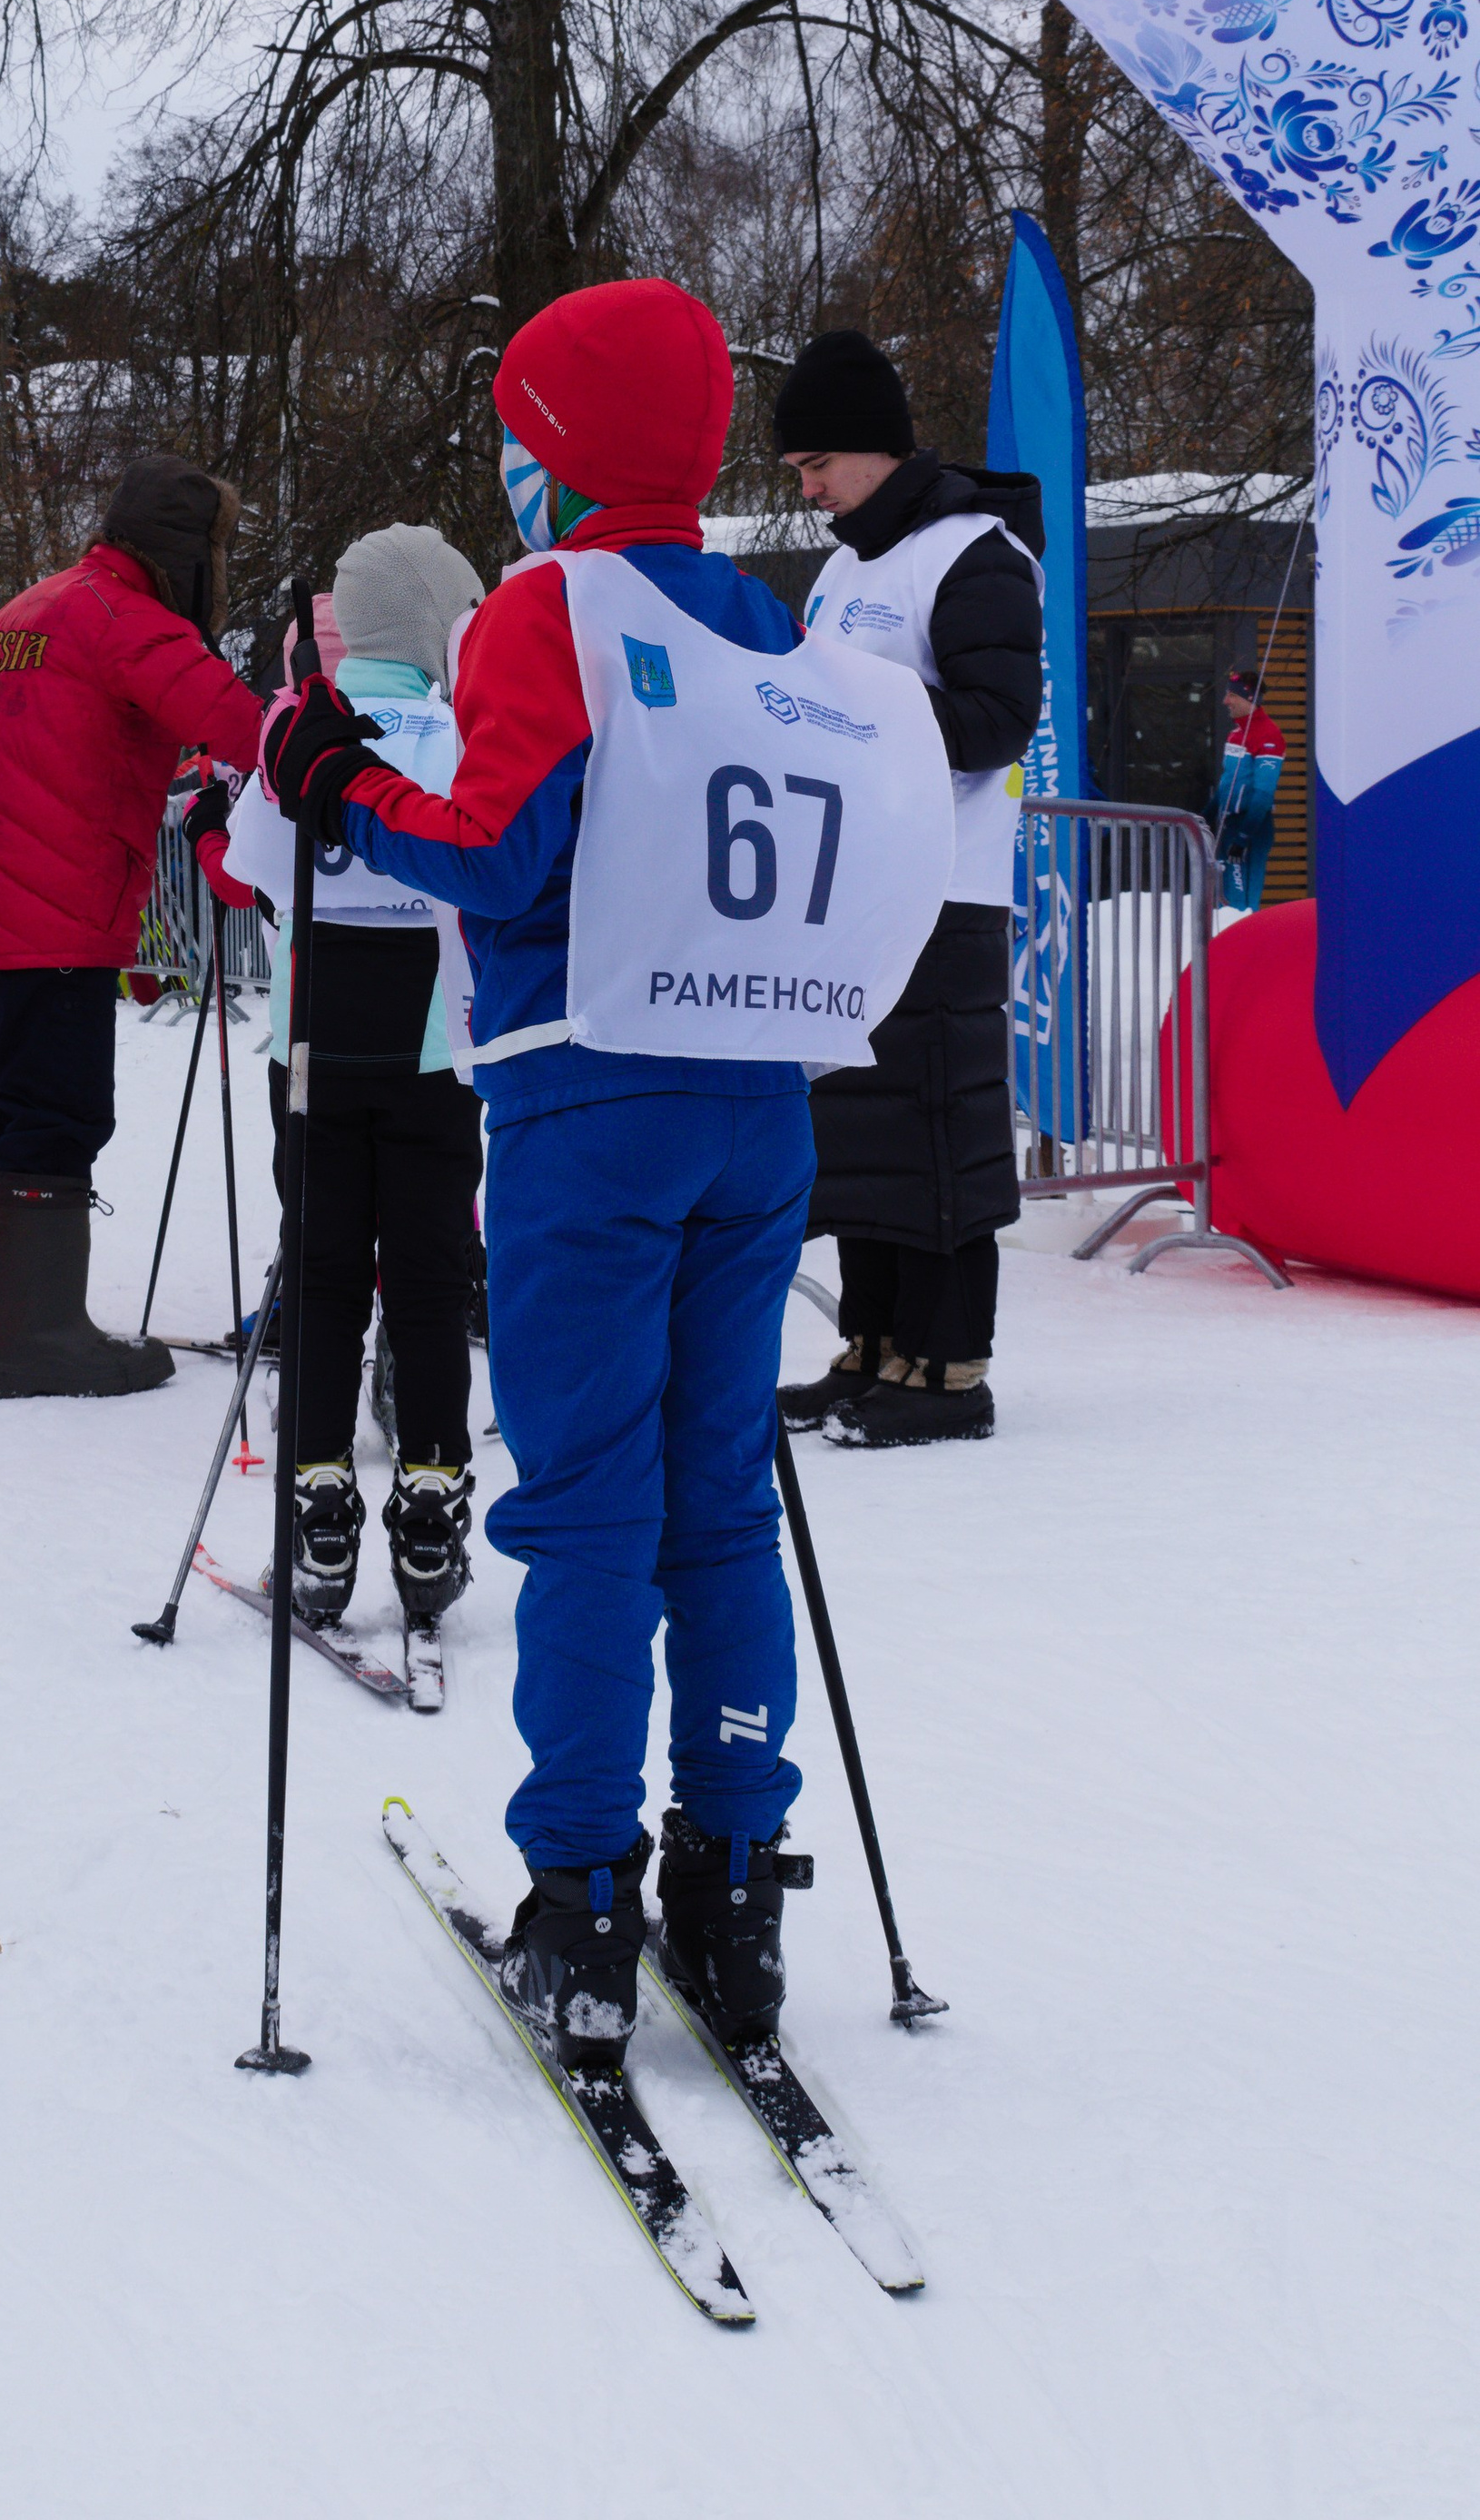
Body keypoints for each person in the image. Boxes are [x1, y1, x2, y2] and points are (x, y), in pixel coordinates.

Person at [259, 281, 952, 2074]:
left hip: (585, 1093)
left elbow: (487, 856)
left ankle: (577, 1897)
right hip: (753, 1101)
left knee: (581, 1509)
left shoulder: (550, 603)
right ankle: (731, 1886)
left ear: (549, 447)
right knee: (715, 1494)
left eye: (518, 428)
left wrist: (329, 776)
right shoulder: (759, 609)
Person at [0, 453, 267, 1399]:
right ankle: (35, 1339)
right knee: (56, 1109)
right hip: (55, 908)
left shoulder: (21, 611)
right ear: (189, 554)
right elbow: (240, 725)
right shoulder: (130, 622)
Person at [195, 522, 487, 1635]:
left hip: (312, 1051)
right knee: (429, 1278)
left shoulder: (293, 727)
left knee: (321, 1278)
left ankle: (317, 1494)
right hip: (432, 1051)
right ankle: (429, 1492)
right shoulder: (463, 728)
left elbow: (258, 875)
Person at [769, 331, 1044, 1451]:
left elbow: (992, 724)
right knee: (860, 1126)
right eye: (795, 473)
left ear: (878, 450)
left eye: (816, 463)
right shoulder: (842, 571)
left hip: (947, 891)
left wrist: (849, 717)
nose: (808, 488)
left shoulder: (975, 552)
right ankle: (874, 1346)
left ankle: (948, 1368)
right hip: (855, 888)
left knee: (934, 1125)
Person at [1209, 666, 1285, 913]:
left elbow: (1263, 793)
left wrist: (1244, 836)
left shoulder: (1268, 734)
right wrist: (1204, 816)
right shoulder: (1235, 733)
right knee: (1223, 900)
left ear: (1248, 698)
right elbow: (1227, 782)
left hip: (1249, 827)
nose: (1225, 701)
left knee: (1240, 905)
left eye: (1231, 695)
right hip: (1227, 824)